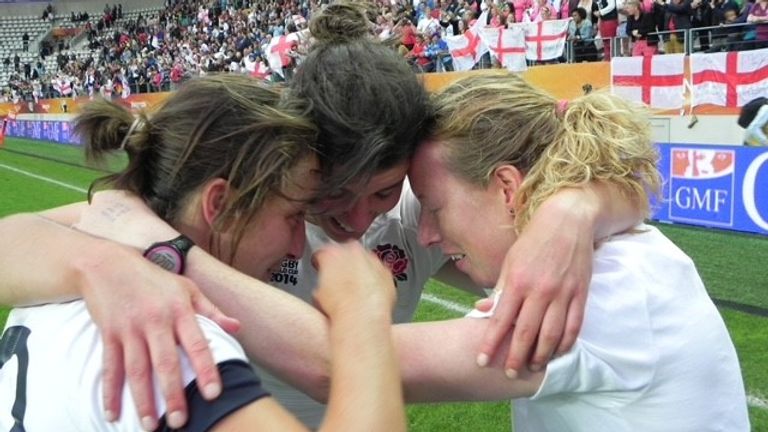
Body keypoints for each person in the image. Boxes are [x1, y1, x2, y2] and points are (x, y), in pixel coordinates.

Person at [0, 3, 642, 429]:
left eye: (385, 192)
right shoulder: (261, 203)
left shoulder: (421, 213)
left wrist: (574, 210)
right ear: (306, 162)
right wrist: (101, 257)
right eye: (329, 197)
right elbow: (38, 236)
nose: (359, 220)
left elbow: (617, 173)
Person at [0, 74, 407, 431]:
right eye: (292, 215)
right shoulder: (172, 340)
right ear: (220, 204)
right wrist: (362, 309)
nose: (298, 245)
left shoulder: (58, 277)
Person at [401, 72, 749, 430]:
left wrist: (352, 294)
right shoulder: (608, 250)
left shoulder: (602, 289)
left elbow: (377, 365)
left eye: (435, 208)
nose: (425, 235)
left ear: (507, 189)